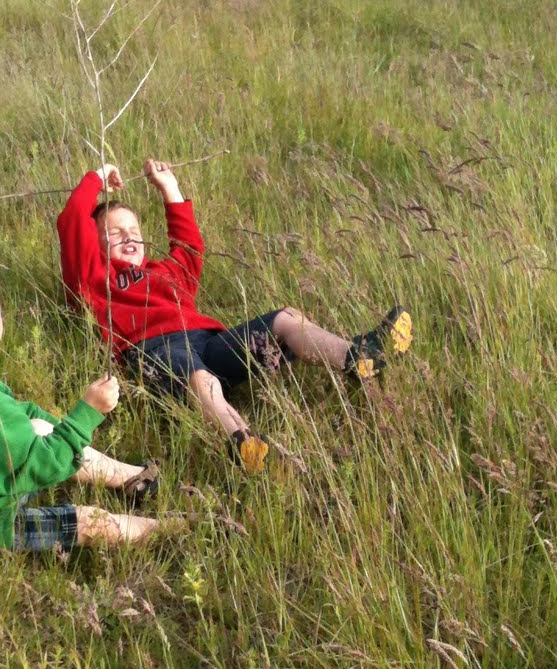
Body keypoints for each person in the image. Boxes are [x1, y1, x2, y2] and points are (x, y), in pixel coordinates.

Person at [57, 158, 411, 473]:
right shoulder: (94, 279)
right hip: (154, 352)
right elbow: (72, 220)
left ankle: (357, 356)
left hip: (209, 343)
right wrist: (99, 176)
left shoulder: (166, 271)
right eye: (115, 233)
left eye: (134, 231)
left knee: (285, 318)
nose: (129, 238)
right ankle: (243, 442)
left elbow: (189, 245)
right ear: (95, 244)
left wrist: (169, 187)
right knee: (201, 380)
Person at [0, 259, 167, 551]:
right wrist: (87, 414)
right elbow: (46, 465)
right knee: (91, 522)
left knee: (40, 427)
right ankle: (178, 526)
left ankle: (133, 480)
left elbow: (17, 416)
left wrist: (56, 429)